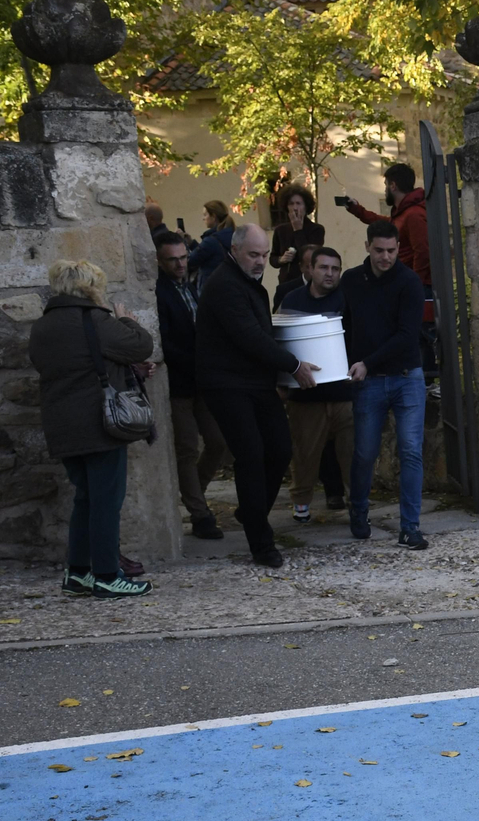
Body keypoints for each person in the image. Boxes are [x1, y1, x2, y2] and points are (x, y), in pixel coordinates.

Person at [29, 259, 155, 599]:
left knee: (84, 499)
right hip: (99, 425)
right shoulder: (96, 320)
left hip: (61, 424)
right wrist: (126, 317)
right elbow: (141, 345)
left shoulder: (41, 327)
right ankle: (106, 574)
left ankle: (79, 571)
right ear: (90, 288)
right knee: (106, 501)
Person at [197, 223, 319, 568]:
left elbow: (262, 334)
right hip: (226, 385)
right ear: (234, 250)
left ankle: (251, 513)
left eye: (265, 255)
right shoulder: (224, 285)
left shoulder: (249, 284)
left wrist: (280, 373)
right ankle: (261, 543)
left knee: (280, 449)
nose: (261, 261)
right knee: (250, 455)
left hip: (255, 383)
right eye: (254, 254)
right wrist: (293, 365)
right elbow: (250, 336)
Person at [342, 219, 427, 549]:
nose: (386, 257)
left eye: (392, 250)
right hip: (369, 381)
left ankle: (410, 527)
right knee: (364, 452)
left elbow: (407, 336)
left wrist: (367, 362)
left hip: (407, 377)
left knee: (410, 451)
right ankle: (359, 511)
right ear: (367, 247)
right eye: (379, 250)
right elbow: (342, 325)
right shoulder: (351, 281)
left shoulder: (409, 282)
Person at [154, 231, 228, 540]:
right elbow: (165, 343)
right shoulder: (159, 293)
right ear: (160, 261)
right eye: (173, 260)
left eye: (184, 257)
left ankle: (192, 492)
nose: (180, 264)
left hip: (203, 381)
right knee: (185, 448)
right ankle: (199, 513)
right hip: (179, 384)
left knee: (219, 443)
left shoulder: (193, 287)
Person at [279, 246, 354, 524]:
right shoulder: (291, 299)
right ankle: (301, 505)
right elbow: (282, 341)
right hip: (305, 395)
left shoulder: (348, 299)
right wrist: (283, 381)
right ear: (310, 268)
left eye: (335, 269)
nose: (330, 274)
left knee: (351, 455)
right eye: (324, 267)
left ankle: (357, 504)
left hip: (344, 393)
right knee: (304, 454)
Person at [343, 163, 435, 381]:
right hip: (403, 283)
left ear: (393, 185)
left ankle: (428, 379)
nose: (385, 189)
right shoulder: (402, 213)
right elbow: (386, 227)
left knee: (418, 334)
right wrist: (358, 211)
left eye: (385, 184)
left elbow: (423, 251)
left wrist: (416, 283)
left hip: (412, 284)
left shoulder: (413, 215)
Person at [269, 184, 325, 309]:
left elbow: (311, 256)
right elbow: (273, 258)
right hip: (285, 282)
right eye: (291, 203)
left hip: (307, 283)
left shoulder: (316, 229)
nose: (295, 208)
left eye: (299, 203)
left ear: (306, 207)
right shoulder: (280, 230)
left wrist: (298, 230)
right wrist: (281, 259)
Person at [187, 201, 235, 292]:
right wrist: (192, 244)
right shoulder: (233, 235)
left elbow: (191, 260)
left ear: (213, 216)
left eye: (205, 215)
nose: (203, 218)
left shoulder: (211, 241)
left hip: (211, 289)